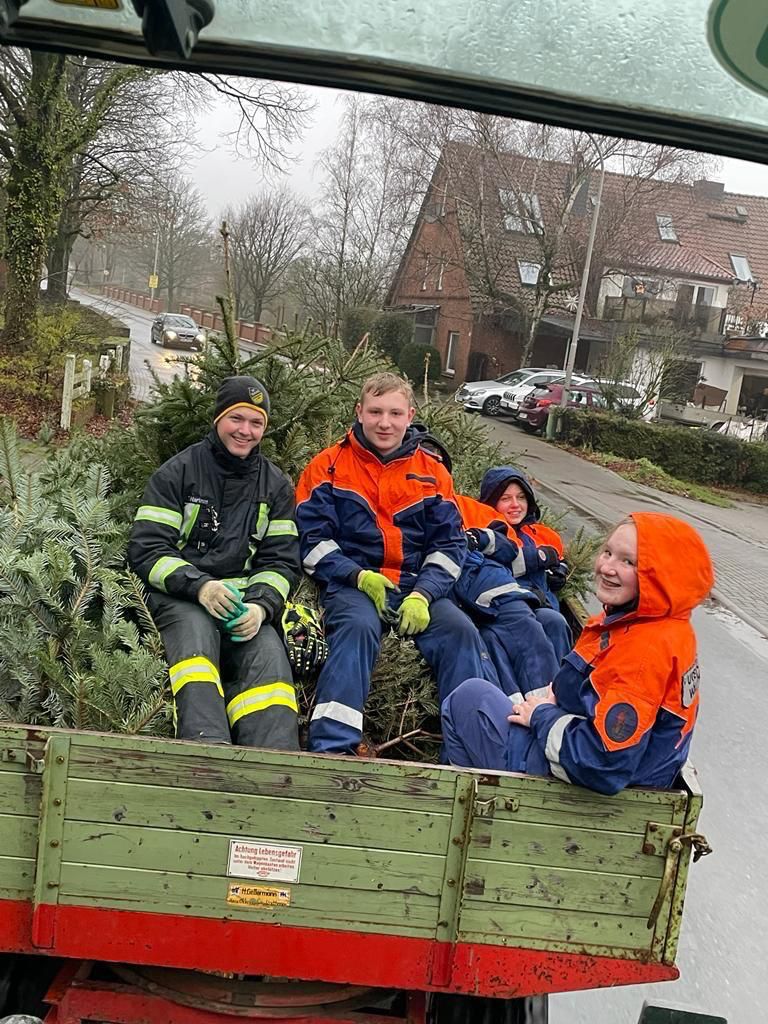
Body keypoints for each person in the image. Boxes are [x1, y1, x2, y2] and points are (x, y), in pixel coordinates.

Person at [295, 372, 500, 754]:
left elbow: (449, 544)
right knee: (356, 628)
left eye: (394, 413)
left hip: (416, 585)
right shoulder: (327, 466)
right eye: (375, 412)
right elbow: (311, 541)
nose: (384, 423)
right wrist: (358, 576)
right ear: (359, 412)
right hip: (355, 585)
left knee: (461, 632)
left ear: (410, 416)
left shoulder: (433, 472)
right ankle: (332, 749)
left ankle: (470, 754)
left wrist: (423, 594)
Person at [441, 512, 714, 795]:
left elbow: (603, 764)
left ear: (662, 577)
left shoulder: (645, 652)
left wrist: (541, 716)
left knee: (468, 698)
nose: (607, 567)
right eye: (608, 552)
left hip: (584, 785)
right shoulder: (644, 624)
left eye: (629, 562)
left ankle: (487, 806)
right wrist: (555, 699)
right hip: (598, 757)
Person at [128, 375, 300, 750]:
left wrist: (261, 607)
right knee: (196, 646)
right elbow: (147, 549)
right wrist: (200, 587)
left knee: (269, 657)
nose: (245, 431)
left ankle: (275, 762)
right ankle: (205, 750)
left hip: (242, 603)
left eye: (256, 423)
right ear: (218, 418)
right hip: (181, 598)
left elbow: (282, 561)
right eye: (236, 418)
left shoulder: (275, 485)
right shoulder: (178, 472)